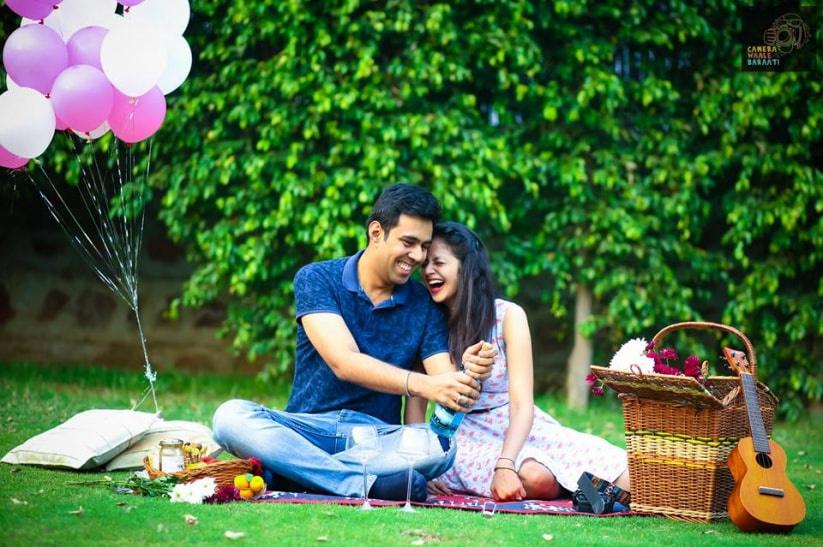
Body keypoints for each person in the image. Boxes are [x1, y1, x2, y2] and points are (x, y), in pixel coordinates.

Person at [211, 185, 496, 501]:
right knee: (229, 417)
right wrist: (424, 386)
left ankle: (296, 473)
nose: (418, 257)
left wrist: (467, 373)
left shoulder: (424, 305)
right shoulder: (318, 278)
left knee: (443, 449)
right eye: (408, 242)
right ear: (376, 232)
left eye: (424, 246)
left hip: (375, 440)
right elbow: (343, 361)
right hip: (306, 430)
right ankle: (364, 484)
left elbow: (444, 384)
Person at [414, 221, 629, 501]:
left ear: (465, 267)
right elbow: (416, 406)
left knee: (627, 473)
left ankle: (591, 493)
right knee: (535, 477)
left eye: (439, 262)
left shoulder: (507, 316)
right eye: (425, 264)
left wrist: (505, 462)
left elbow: (522, 404)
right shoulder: (427, 322)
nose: (429, 271)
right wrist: (420, 467)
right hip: (461, 437)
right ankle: (588, 493)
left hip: (517, 426)